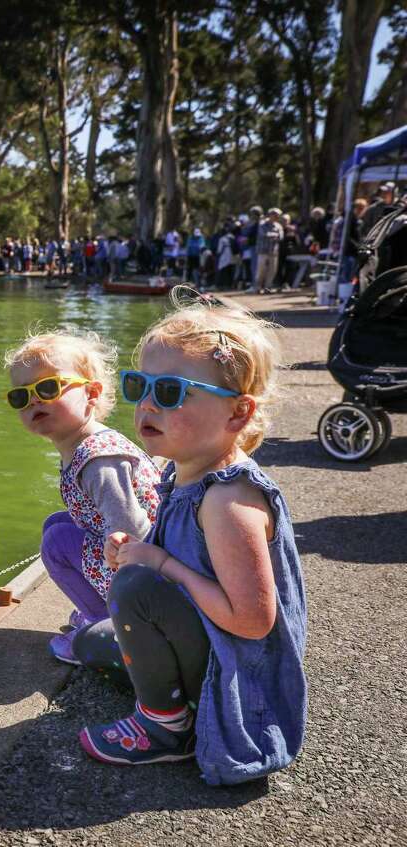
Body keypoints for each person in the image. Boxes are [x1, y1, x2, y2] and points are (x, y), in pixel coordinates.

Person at [75, 294, 307, 785]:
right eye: (140, 386)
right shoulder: (185, 474)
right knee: (92, 641)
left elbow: (251, 621)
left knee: (134, 589)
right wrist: (135, 550)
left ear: (238, 414)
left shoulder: (228, 503)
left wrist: (159, 565)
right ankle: (174, 697)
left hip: (237, 664)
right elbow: (180, 554)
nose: (146, 405)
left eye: (172, 392)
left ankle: (166, 729)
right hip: (206, 634)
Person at [4, 330, 162, 664]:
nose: (34, 400)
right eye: (21, 396)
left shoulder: (98, 460)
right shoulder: (81, 446)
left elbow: (133, 529)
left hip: (148, 574)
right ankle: (99, 607)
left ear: (90, 393)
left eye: (48, 388)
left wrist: (130, 597)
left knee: (58, 541)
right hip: (134, 562)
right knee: (57, 523)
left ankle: (102, 621)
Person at [254, 208, 284, 293]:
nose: (276, 216)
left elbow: (281, 237)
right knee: (261, 270)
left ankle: (268, 288)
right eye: (274, 214)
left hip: (273, 251)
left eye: (277, 215)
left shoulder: (278, 226)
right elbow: (264, 234)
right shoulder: (262, 224)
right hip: (263, 251)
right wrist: (274, 235)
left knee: (272, 271)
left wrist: (273, 235)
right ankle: (258, 287)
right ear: (270, 215)